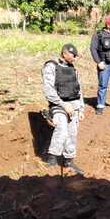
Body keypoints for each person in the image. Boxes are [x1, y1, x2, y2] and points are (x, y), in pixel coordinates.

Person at [42, 44, 85, 175]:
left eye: (76, 56)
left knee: (72, 134)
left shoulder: (73, 69)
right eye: (73, 55)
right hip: (58, 105)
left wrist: (81, 109)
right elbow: (49, 91)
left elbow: (79, 89)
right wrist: (63, 105)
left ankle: (68, 161)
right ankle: (52, 158)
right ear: (64, 54)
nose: (75, 58)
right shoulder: (51, 66)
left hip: (74, 105)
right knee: (62, 129)